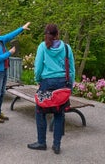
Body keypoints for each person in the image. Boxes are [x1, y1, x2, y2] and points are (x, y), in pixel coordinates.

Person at [27, 24, 75, 154]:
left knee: (40, 111)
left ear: (46, 34)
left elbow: (38, 67)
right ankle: (57, 145)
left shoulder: (43, 46)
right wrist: (71, 85)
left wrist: (38, 80)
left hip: (47, 83)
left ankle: (41, 142)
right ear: (57, 34)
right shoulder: (66, 47)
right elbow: (71, 68)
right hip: (62, 83)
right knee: (59, 114)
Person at [0, 22, 31, 123]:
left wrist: (22, 28)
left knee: (1, 93)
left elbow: (10, 35)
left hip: (4, 69)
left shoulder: (0, 39)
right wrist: (9, 53)